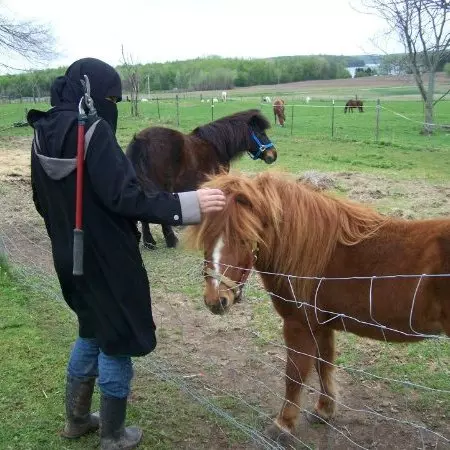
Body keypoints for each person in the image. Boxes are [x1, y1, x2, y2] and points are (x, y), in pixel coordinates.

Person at [27, 58, 225, 450]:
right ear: (92, 92)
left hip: (68, 257)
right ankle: (113, 436)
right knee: (116, 339)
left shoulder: (42, 131)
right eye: (111, 97)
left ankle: (77, 419)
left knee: (91, 328)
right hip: (108, 260)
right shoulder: (93, 131)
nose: (113, 105)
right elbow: (126, 197)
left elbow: (40, 199)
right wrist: (189, 204)